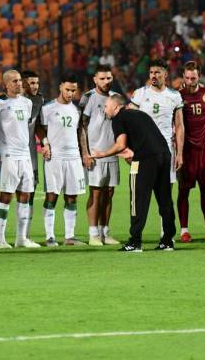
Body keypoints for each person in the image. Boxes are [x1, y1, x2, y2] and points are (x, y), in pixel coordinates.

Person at [91, 95, 176, 251]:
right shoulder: (140, 114)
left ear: (116, 107)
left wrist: (101, 154)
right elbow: (144, 137)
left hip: (145, 159)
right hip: (164, 155)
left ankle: (135, 242)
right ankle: (168, 241)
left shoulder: (118, 118)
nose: (105, 110)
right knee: (165, 200)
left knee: (138, 201)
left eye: (106, 107)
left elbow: (121, 144)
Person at [0, 70, 38, 249]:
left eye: (20, 80)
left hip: (25, 155)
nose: (19, 83)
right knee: (6, 195)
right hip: (8, 155)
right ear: (6, 84)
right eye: (15, 81)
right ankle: (0, 239)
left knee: (25, 195)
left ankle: (20, 238)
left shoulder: (27, 103)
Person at [38, 74, 87, 246]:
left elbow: (80, 132)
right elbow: (40, 128)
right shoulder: (48, 108)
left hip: (73, 157)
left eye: (73, 90)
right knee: (52, 195)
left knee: (72, 197)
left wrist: (84, 154)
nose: (70, 93)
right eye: (67, 89)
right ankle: (49, 236)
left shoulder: (76, 110)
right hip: (55, 157)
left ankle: (69, 237)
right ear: (60, 87)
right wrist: (45, 144)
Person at [79, 65, 121, 246]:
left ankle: (105, 232)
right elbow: (81, 127)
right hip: (95, 154)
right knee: (96, 193)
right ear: (95, 79)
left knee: (109, 193)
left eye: (109, 78)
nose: (106, 82)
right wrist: (85, 153)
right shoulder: (89, 97)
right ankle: (93, 234)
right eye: (102, 78)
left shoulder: (115, 98)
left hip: (111, 152)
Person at [177, 61, 205, 243]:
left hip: (204, 151)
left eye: (193, 77)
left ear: (199, 76)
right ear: (183, 76)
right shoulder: (177, 95)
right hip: (186, 151)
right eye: (187, 77)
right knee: (184, 191)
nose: (190, 81)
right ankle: (184, 231)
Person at [130, 59, 184, 185]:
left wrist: (179, 154)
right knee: (143, 194)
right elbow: (130, 123)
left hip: (167, 150)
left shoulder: (174, 96)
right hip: (144, 150)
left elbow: (180, 126)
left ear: (165, 74)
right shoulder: (140, 94)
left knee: (166, 197)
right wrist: (130, 148)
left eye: (157, 72)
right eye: (151, 72)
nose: (153, 75)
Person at [22, 70, 44, 241]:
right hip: (12, 154)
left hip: (31, 154)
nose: (35, 86)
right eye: (31, 83)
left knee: (30, 191)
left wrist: (45, 141)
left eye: (37, 82)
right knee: (7, 194)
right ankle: (1, 238)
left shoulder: (39, 100)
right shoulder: (7, 101)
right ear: (22, 83)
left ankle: (25, 235)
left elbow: (37, 125)